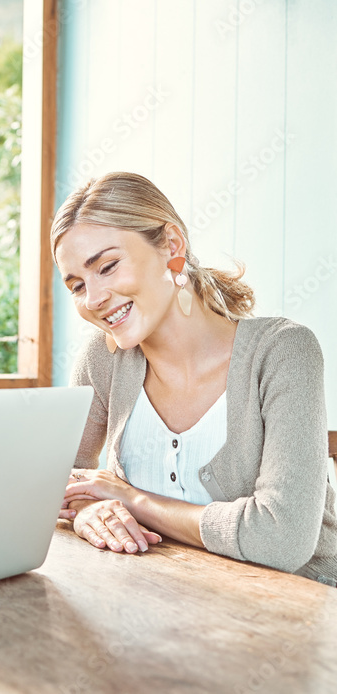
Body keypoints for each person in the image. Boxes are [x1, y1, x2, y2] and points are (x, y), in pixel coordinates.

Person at [52, 171, 337, 584]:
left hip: (300, 614)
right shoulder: (103, 358)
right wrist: (88, 509)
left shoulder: (282, 351)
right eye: (77, 285)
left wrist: (132, 499)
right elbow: (57, 479)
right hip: (164, 603)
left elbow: (281, 540)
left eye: (108, 266)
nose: (94, 300)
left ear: (172, 246)